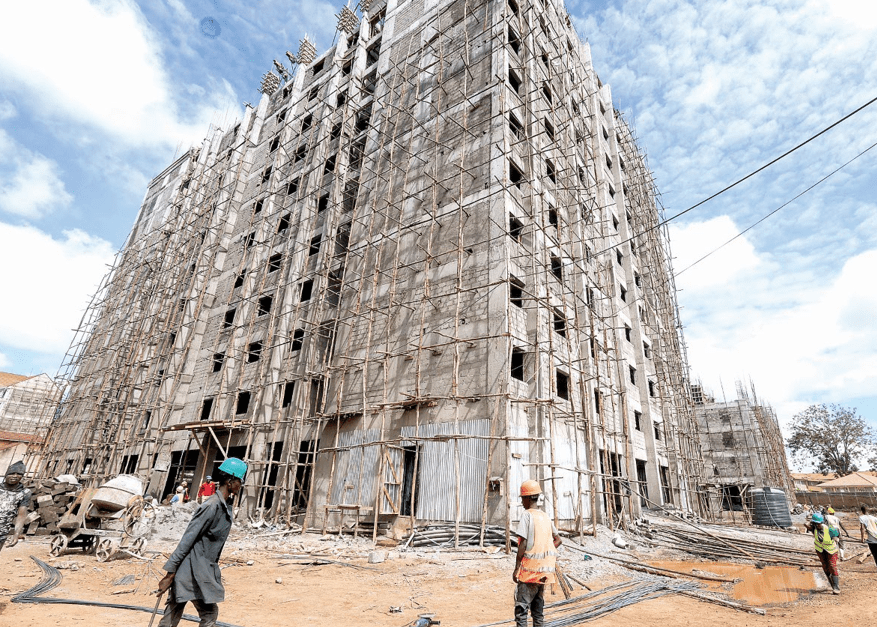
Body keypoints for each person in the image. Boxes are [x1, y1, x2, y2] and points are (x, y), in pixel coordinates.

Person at [156, 457, 248, 627]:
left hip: (199, 569)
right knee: (208, 613)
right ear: (229, 482)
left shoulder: (223, 506)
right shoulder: (211, 506)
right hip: (190, 571)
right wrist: (170, 573)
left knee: (174, 616)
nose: (240, 485)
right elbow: (187, 539)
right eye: (239, 481)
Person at [513, 480, 562, 627]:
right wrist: (544, 552)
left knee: (521, 612)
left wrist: (516, 568)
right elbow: (558, 540)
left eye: (522, 498)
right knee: (538, 612)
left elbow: (522, 545)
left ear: (528, 498)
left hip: (529, 573)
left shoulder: (527, 515)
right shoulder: (545, 516)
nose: (522, 501)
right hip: (545, 572)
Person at [0, 461, 31, 552]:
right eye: (12, 473)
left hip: (2, 532)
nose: (15, 476)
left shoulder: (24, 493)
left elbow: (21, 515)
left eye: (19, 474)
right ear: (6, 474)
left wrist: (16, 534)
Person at [806, 512, 841, 594]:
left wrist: (835, 540)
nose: (817, 525)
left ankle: (836, 586)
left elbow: (837, 537)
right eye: (816, 524)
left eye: (818, 524)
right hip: (820, 550)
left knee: (832, 566)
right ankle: (832, 585)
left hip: (831, 550)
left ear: (822, 523)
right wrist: (812, 522)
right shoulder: (814, 528)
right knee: (825, 566)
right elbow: (805, 524)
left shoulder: (829, 529)